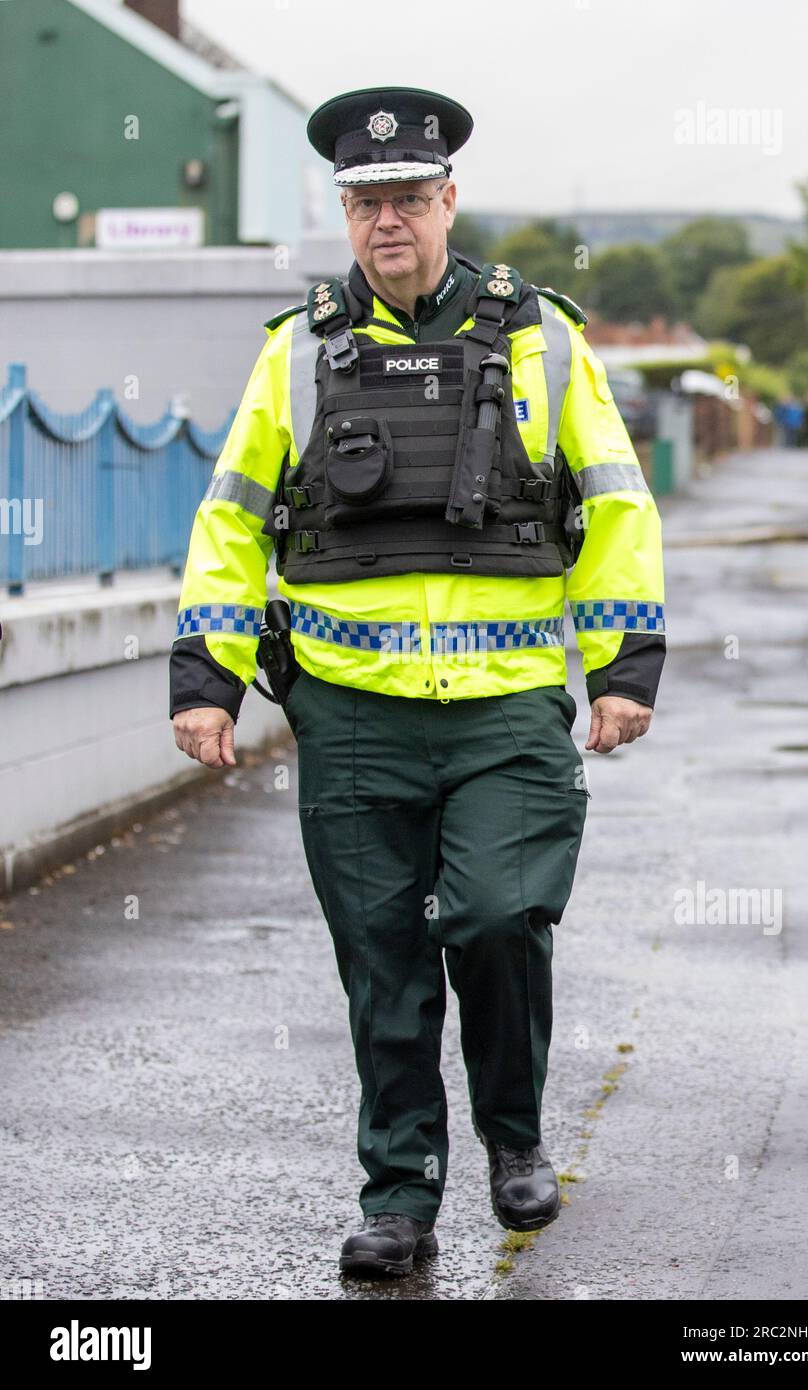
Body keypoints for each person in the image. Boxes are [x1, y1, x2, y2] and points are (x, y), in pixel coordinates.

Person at [170, 86, 666, 1279]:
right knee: (382, 958)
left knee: (497, 917)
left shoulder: (542, 338)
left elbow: (611, 504)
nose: (385, 218)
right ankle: (397, 1198)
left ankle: (513, 1136)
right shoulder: (297, 353)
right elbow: (233, 521)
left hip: (504, 708)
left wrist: (620, 663)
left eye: (405, 197)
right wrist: (207, 676)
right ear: (344, 215)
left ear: (447, 201)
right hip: (349, 717)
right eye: (363, 201)